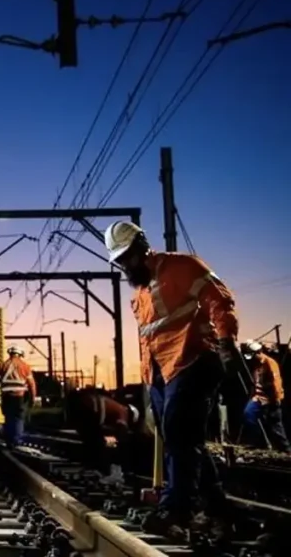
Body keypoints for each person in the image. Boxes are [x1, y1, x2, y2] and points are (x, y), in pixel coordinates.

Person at [104, 220, 239, 539]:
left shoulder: (182, 266)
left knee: (179, 431)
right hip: (162, 371)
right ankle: (217, 506)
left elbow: (220, 300)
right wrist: (149, 380)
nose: (125, 265)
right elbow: (148, 338)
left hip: (195, 360)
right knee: (181, 437)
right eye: (119, 260)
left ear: (142, 245)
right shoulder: (138, 292)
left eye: (127, 256)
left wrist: (227, 341)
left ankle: (176, 508)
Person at [64, 388, 148, 483]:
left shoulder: (115, 406)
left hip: (92, 415)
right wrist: (116, 440)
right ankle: (111, 470)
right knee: (105, 443)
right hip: (92, 414)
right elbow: (121, 433)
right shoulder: (123, 413)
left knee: (95, 441)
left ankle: (97, 467)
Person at [243, 340, 289, 451]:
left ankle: (285, 448)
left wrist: (276, 397)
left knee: (275, 423)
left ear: (258, 352)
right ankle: (259, 442)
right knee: (248, 414)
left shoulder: (269, 363)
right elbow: (257, 381)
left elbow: (276, 381)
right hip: (259, 397)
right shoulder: (256, 364)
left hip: (270, 397)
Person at [0, 346, 37, 448]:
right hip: (20, 397)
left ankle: (9, 441)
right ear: (20, 355)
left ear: (10, 354)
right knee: (18, 418)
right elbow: (31, 384)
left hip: (6, 397)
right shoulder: (25, 366)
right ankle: (16, 441)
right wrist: (32, 399)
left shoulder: (3, 366)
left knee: (8, 418)